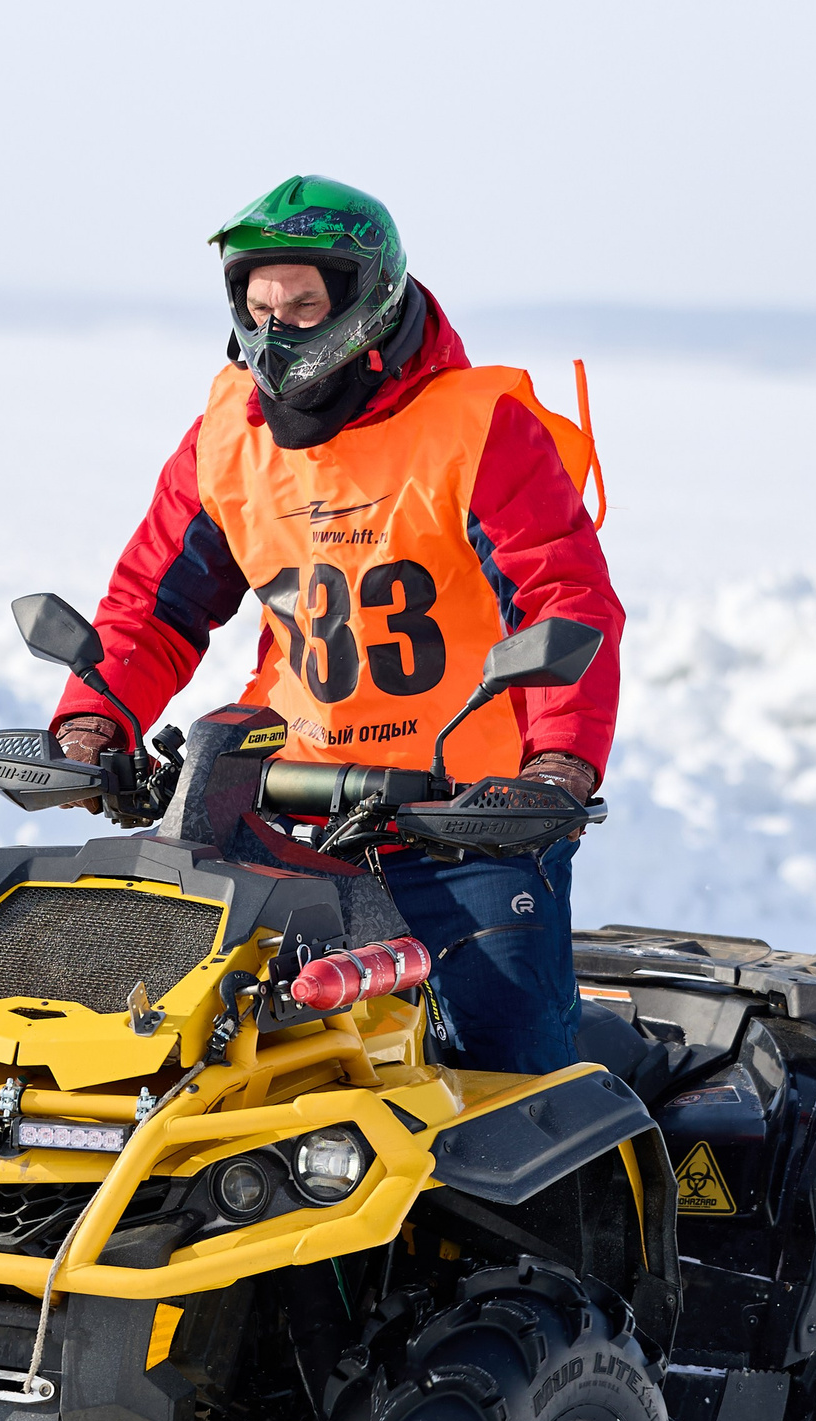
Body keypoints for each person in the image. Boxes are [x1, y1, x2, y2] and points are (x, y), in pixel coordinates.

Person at [50, 174, 624, 1076]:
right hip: (277, 807)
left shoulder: (479, 427)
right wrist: (92, 723)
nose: (277, 328)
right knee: (164, 1053)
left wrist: (556, 767)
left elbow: (563, 598)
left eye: (306, 304)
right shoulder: (224, 437)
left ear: (369, 299)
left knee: (509, 1080)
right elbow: (153, 608)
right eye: (258, 303)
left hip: (466, 817)